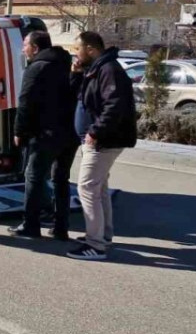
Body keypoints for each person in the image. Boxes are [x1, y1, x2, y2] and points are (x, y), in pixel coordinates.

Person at [69, 31, 137, 261]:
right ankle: (103, 236)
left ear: (90, 48)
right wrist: (77, 74)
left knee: (87, 188)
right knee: (98, 188)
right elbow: (83, 99)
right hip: (100, 140)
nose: (74, 53)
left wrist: (96, 132)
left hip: (103, 141)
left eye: (77, 48)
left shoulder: (108, 69)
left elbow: (114, 105)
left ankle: (95, 244)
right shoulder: (96, 68)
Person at [10, 31, 76, 240]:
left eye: (25, 45)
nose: (23, 49)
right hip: (70, 133)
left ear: (35, 48)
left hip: (46, 133)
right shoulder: (67, 64)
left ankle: (31, 225)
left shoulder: (37, 68)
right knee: (61, 179)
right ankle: (60, 227)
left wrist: (19, 131)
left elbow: (25, 102)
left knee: (34, 177)